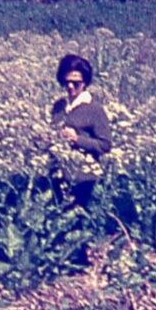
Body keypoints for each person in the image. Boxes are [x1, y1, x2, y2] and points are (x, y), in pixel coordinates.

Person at [51, 54, 112, 209]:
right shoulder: (59, 106)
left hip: (83, 181)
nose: (70, 86)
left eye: (76, 83)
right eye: (67, 82)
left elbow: (105, 145)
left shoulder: (94, 110)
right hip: (58, 176)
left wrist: (77, 139)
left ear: (84, 83)